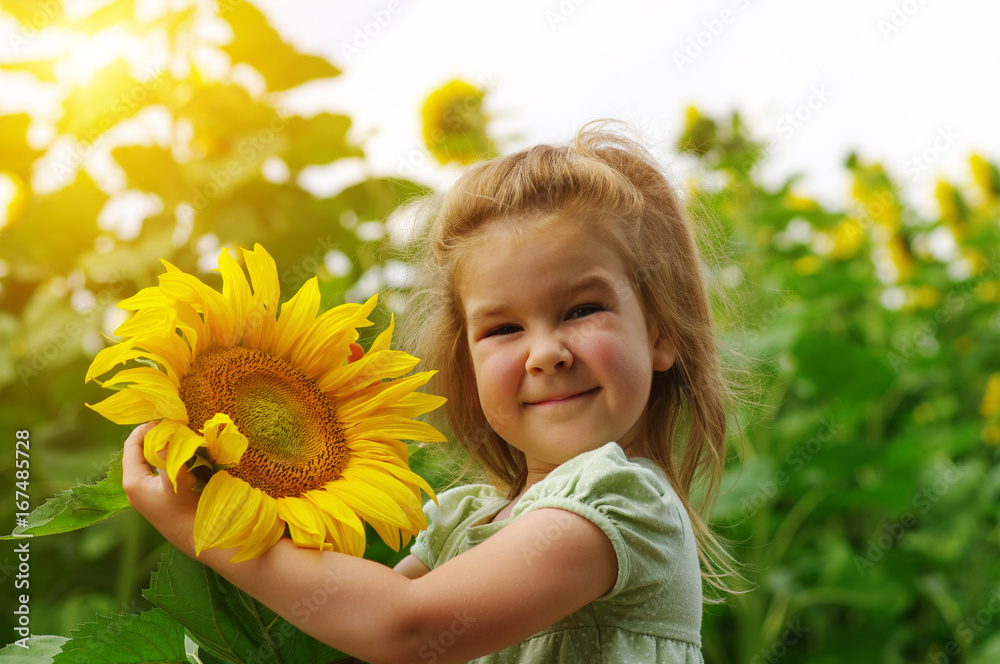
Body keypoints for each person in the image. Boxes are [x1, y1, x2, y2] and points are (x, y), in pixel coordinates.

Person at [122, 120, 740, 663]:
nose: (546, 352)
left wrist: (210, 527)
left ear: (661, 333)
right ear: (466, 365)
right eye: (503, 328)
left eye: (580, 310)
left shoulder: (624, 505)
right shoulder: (465, 523)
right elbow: (346, 629)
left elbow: (405, 626)